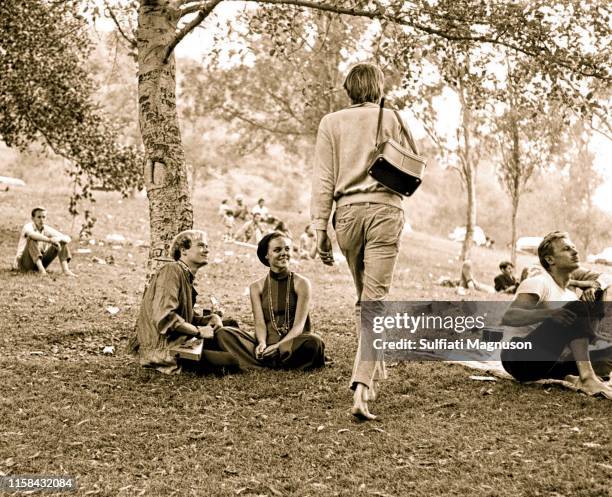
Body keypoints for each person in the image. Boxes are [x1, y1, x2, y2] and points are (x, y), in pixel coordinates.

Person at [311, 63, 411, 420]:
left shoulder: (331, 122)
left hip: (347, 216)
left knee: (366, 301)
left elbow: (323, 179)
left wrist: (319, 229)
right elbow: (413, 163)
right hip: (385, 211)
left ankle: (374, 366)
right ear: (378, 87)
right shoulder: (392, 117)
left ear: (347, 89)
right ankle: (361, 388)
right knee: (374, 303)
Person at [500, 231, 612, 398]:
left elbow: (607, 278)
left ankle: (569, 375)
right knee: (576, 308)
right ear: (550, 260)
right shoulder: (539, 282)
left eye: (574, 248)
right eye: (567, 249)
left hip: (550, 360)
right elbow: (509, 316)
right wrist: (549, 314)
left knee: (606, 355)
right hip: (518, 357)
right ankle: (587, 378)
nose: (575, 252)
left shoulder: (569, 294)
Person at [131, 229, 239, 374]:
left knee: (230, 324)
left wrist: (209, 319)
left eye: (207, 246)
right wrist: (199, 331)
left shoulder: (184, 274)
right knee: (231, 361)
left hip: (179, 340)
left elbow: (185, 316)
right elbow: (165, 317)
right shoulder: (171, 271)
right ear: (184, 250)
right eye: (201, 246)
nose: (206, 250)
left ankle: (254, 352)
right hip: (165, 349)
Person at [216, 232, 325, 370]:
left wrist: (278, 346)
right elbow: (260, 324)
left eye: (287, 249)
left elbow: (299, 326)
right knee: (223, 333)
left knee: (314, 343)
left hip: (291, 343)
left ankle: (261, 361)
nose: (284, 253)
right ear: (266, 255)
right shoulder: (256, 287)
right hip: (267, 341)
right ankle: (267, 357)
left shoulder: (302, 283)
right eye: (277, 250)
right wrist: (262, 343)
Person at [14, 207, 76, 276]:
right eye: (39, 217)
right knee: (32, 239)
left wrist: (57, 240)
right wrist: (50, 240)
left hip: (40, 261)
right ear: (33, 218)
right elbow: (32, 235)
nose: (42, 220)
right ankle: (42, 270)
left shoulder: (46, 229)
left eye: (44, 217)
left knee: (62, 241)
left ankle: (66, 270)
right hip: (24, 263)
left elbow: (67, 238)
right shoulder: (28, 226)